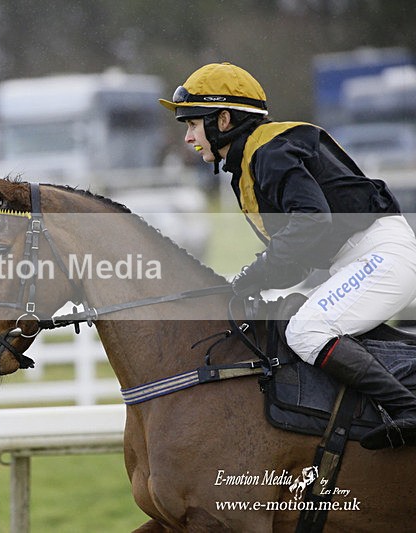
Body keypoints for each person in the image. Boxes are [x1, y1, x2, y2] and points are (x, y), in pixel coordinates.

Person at [159, 62, 416, 450]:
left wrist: (254, 274)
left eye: (192, 124)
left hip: (379, 254)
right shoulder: (254, 159)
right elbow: (296, 256)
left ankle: (408, 410)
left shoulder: (270, 152)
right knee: (297, 322)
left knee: (305, 330)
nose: (188, 138)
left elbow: (311, 223)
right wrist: (248, 283)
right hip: (361, 257)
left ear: (223, 120)